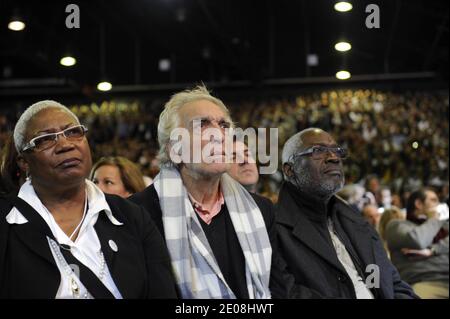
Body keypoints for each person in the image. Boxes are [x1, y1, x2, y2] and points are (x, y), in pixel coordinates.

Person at [0, 100, 177, 299]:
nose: (65, 145)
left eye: (73, 132)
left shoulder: (132, 217)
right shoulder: (7, 222)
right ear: (24, 162)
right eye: (46, 139)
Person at [130, 85, 290, 299]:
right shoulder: (137, 214)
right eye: (202, 124)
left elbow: (277, 290)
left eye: (224, 125)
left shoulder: (261, 209)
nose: (218, 134)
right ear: (174, 149)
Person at [276, 127, 417, 299]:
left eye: (336, 150)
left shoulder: (358, 222)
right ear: (290, 170)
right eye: (318, 150)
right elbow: (285, 293)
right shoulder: (273, 228)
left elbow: (393, 284)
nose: (334, 157)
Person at [385, 188, 449, 299]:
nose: (438, 204)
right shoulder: (397, 226)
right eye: (434, 200)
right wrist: (434, 219)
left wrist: (432, 250)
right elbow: (418, 240)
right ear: (418, 204)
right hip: (426, 282)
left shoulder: (442, 227)